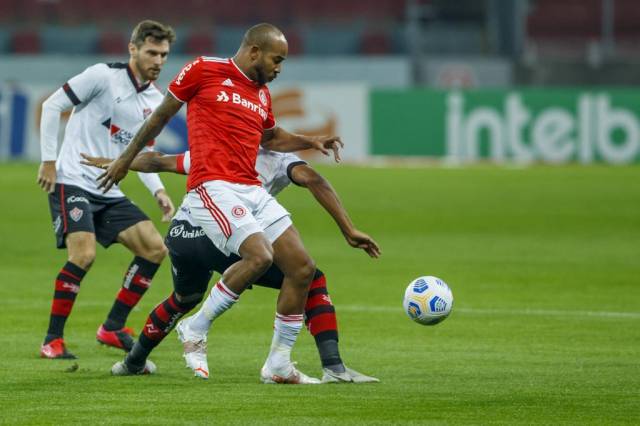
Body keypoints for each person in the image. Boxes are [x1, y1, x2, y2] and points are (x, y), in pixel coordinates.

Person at [97, 23, 351, 384]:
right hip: (212, 186)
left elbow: (272, 137)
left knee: (302, 267)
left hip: (251, 190)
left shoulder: (261, 95)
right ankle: (195, 328)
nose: (279, 68)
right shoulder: (204, 69)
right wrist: (124, 159)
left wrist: (312, 141)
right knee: (259, 256)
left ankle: (278, 365)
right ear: (253, 52)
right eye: (276, 59)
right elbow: (161, 116)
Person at [83, 148, 381, 383]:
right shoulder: (282, 160)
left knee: (184, 298)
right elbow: (313, 178)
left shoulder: (219, 147)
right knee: (305, 274)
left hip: (183, 234)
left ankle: (133, 361)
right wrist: (348, 228)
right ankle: (333, 367)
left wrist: (118, 161)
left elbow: (159, 161)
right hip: (224, 232)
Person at [36, 20, 177, 359]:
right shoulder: (102, 76)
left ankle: (112, 327)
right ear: (133, 49)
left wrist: (157, 190)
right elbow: (53, 105)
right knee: (83, 255)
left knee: (155, 249)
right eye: (151, 52)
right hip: (72, 180)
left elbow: (138, 153)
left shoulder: (156, 100)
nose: (158, 61)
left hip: (108, 189)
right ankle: (52, 340)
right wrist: (48, 160)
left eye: (164, 55)